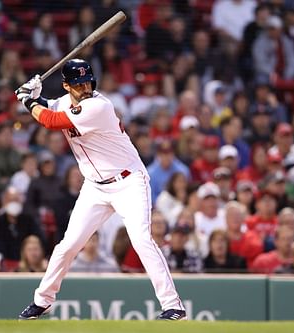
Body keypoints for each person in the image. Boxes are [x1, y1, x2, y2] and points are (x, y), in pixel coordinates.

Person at [15, 59, 186, 320]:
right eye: (77, 84)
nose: (84, 87)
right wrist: (35, 95)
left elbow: (49, 120)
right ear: (66, 86)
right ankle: (42, 300)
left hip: (128, 181)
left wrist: (28, 100)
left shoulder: (98, 106)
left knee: (141, 239)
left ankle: (173, 306)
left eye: (87, 82)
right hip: (95, 186)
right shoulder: (65, 101)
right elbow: (50, 106)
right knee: (68, 245)